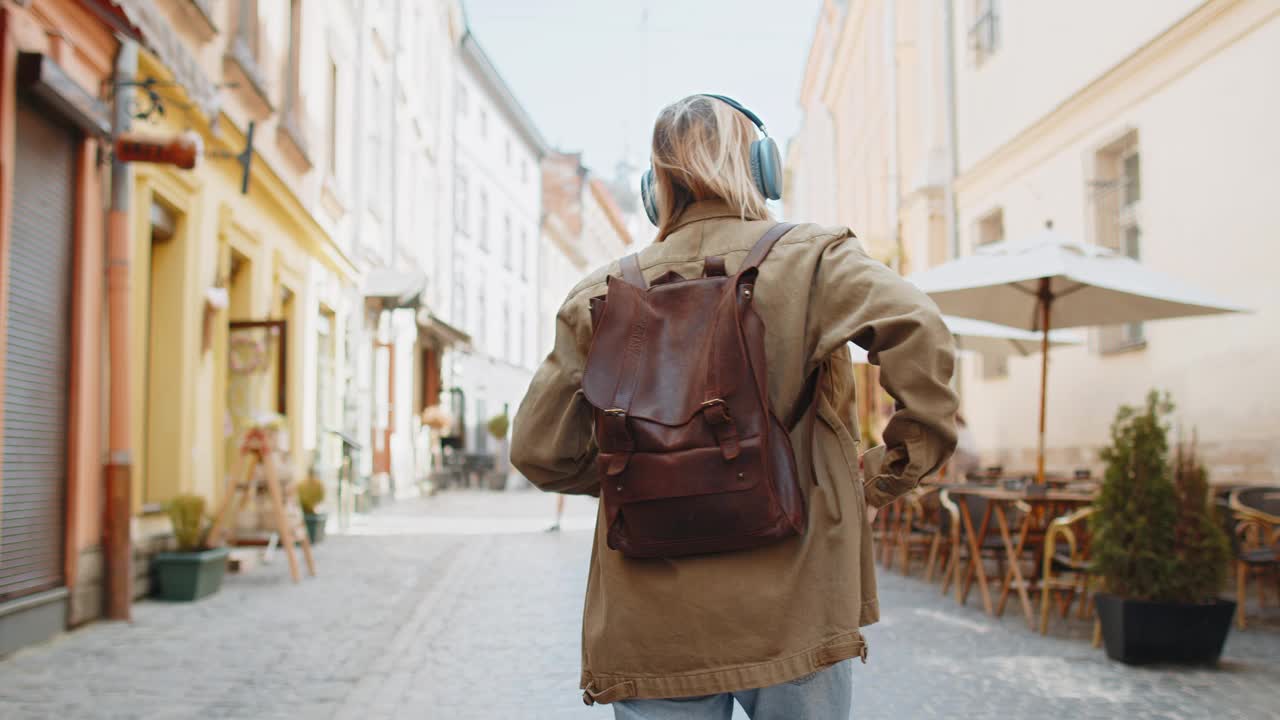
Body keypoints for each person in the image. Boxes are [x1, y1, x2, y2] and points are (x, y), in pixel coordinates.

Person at [511, 94, 957, 719]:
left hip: (652, 622)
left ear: (655, 188)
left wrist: (651, 469)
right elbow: (917, 324)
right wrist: (890, 469)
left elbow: (538, 451)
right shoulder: (813, 260)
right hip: (795, 605)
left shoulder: (598, 295)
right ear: (763, 168)